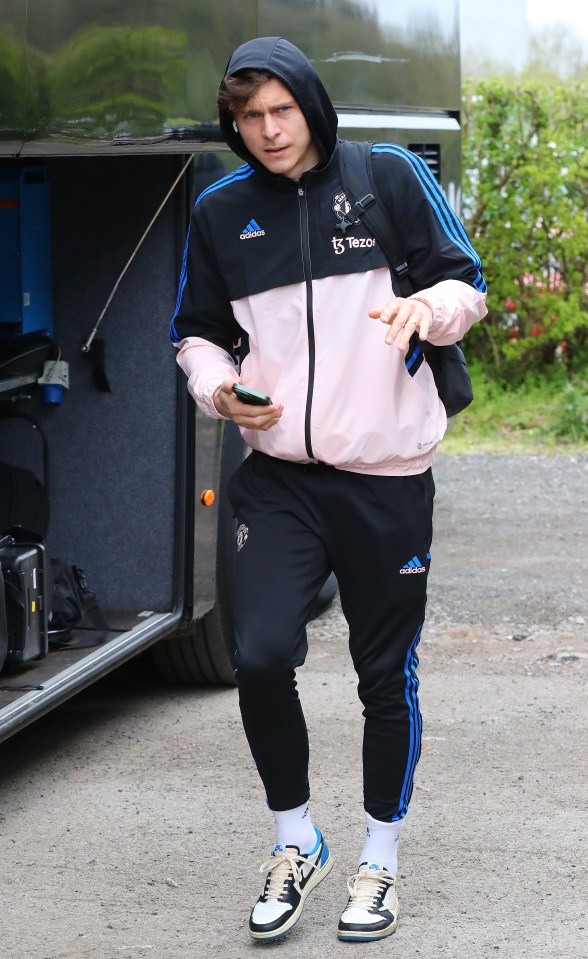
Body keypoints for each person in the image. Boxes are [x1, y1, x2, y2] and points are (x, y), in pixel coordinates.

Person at [170, 36, 487, 943]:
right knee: (261, 655)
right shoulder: (221, 212)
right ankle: (295, 836)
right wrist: (217, 388)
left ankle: (379, 858)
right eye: (249, 117)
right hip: (280, 480)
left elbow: (466, 280)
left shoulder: (384, 176)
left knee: (383, 676)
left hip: (387, 481)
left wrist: (426, 309)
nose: (268, 132)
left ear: (311, 102)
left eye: (282, 111)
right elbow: (194, 333)